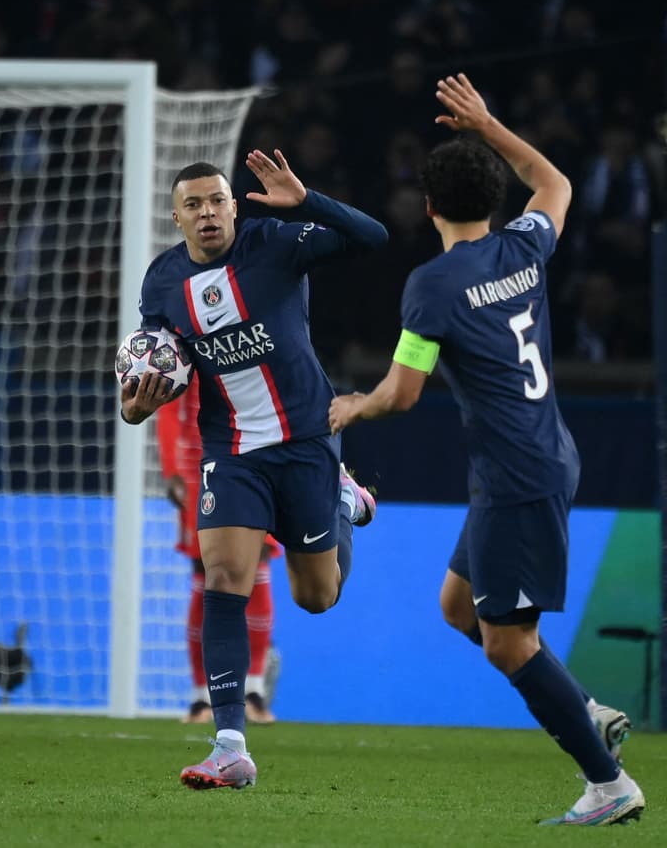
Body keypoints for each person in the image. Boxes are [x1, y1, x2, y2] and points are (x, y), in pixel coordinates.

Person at [328, 74, 643, 826]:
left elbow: (402, 395)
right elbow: (557, 181)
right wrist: (491, 124)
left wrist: (352, 404)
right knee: (456, 605)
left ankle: (608, 782)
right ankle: (581, 707)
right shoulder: (525, 247)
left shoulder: (431, 286)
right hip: (541, 455)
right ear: (493, 202)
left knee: (507, 644)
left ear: (429, 207)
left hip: (515, 473)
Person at [122, 152, 387, 791]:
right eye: (194, 204)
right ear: (177, 216)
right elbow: (152, 367)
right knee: (223, 577)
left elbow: (373, 238)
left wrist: (308, 200)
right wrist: (135, 406)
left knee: (316, 597)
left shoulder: (275, 243)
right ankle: (231, 745)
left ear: (234, 206)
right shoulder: (161, 282)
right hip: (233, 448)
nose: (208, 212)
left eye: (217, 200)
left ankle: (342, 504)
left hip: (305, 440)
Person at [156, 375, 281, 725]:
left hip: (258, 457)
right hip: (202, 465)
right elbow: (168, 405)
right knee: (206, 573)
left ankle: (253, 690)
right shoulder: (186, 329)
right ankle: (200, 698)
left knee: (259, 567)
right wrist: (171, 467)